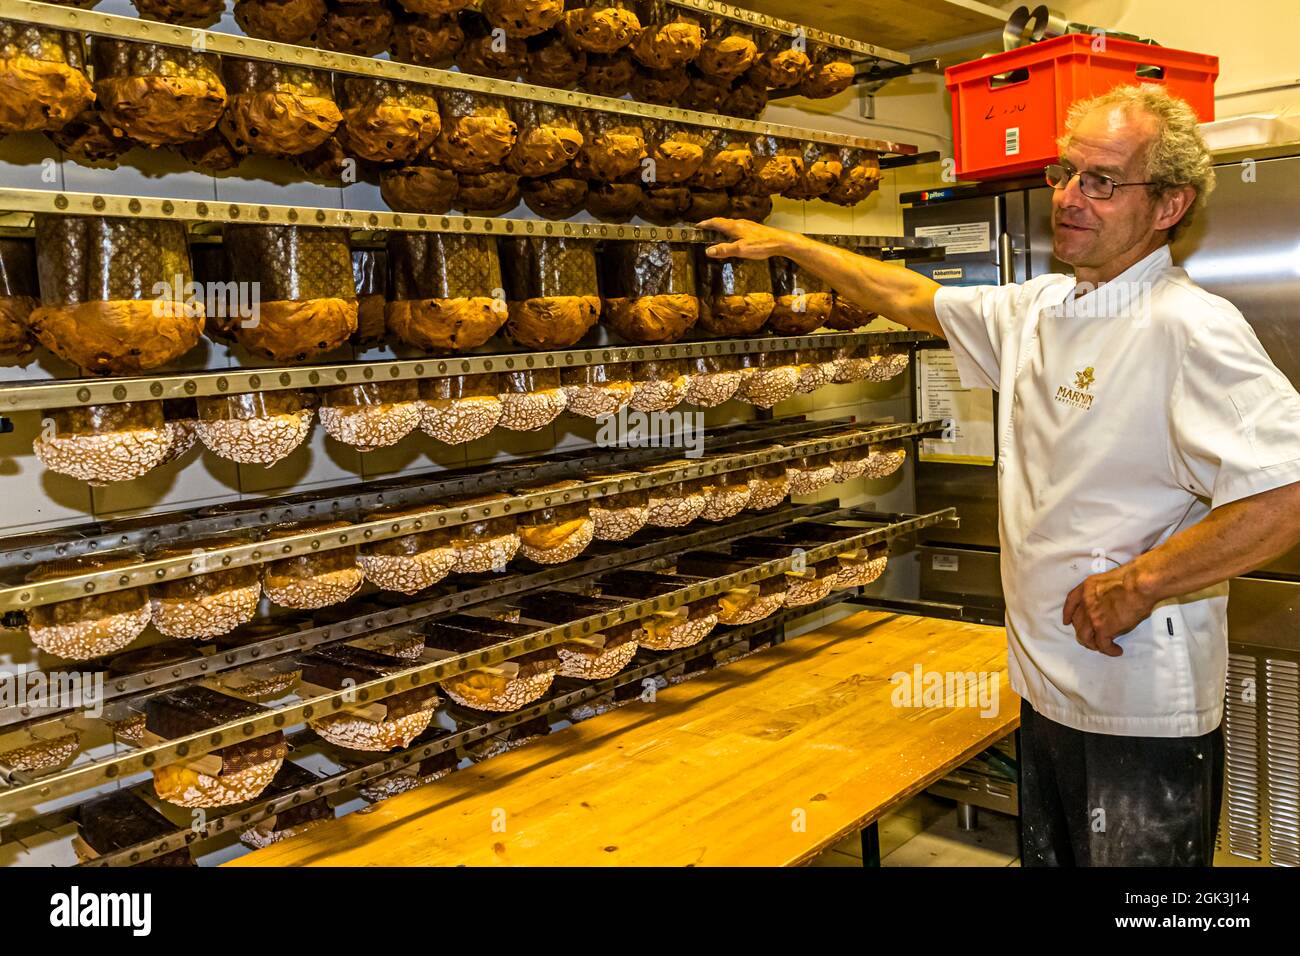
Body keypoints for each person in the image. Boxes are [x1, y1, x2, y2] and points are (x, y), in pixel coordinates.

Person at [701, 84, 1300, 866]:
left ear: (1167, 205)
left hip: (1139, 704)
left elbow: (1287, 494)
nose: (1069, 198)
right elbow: (912, 297)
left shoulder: (1188, 328)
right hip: (1046, 681)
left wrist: (1140, 583)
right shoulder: (1043, 306)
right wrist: (790, 248)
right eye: (1064, 172)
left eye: (1101, 181)